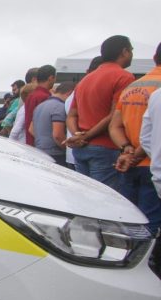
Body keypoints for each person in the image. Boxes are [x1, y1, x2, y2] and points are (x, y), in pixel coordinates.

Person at [67, 35, 135, 190]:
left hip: (81, 149)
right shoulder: (124, 77)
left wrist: (78, 135)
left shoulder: (85, 79)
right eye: (131, 50)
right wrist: (87, 136)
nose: (131, 54)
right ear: (124, 51)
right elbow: (114, 116)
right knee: (106, 200)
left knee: (86, 196)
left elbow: (71, 115)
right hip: (105, 147)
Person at [110, 42, 161, 235]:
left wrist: (127, 150)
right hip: (150, 162)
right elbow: (149, 135)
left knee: (129, 221)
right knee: (151, 224)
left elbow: (114, 126)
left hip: (128, 162)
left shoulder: (133, 85)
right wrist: (136, 154)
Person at [64, 57, 103, 169]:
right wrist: (82, 137)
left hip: (75, 150)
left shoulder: (76, 92)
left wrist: (77, 136)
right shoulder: (83, 91)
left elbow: (71, 117)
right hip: (87, 148)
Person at [30, 82, 75, 165]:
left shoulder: (40, 106)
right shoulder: (59, 107)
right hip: (55, 154)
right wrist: (68, 149)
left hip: (39, 151)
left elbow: (31, 130)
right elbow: (57, 135)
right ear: (69, 94)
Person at [23, 65, 57, 146]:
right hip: (41, 145)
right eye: (55, 78)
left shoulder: (31, 95)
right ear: (51, 78)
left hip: (30, 142)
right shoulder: (44, 97)